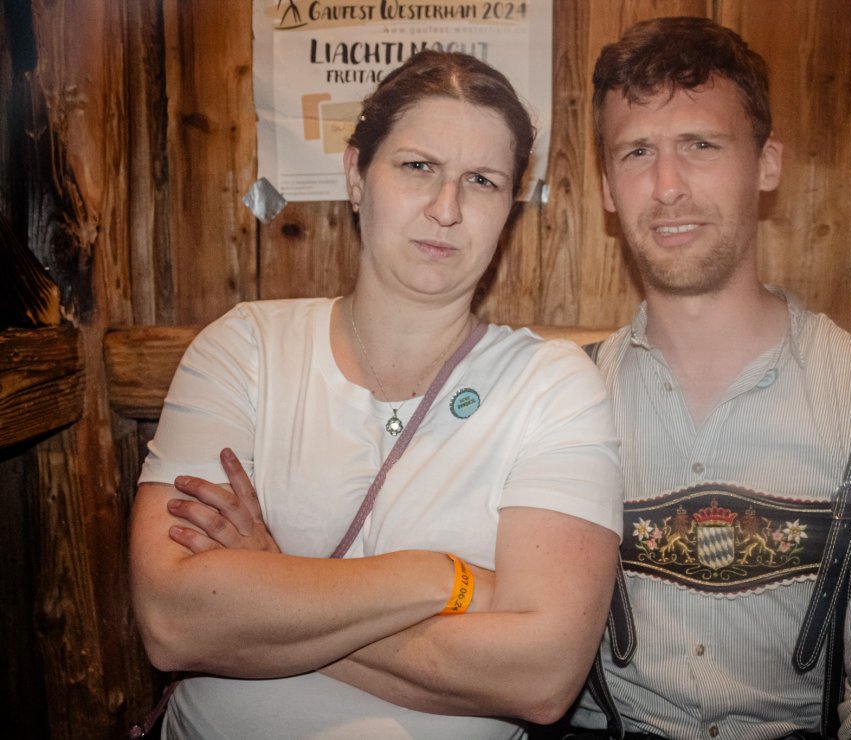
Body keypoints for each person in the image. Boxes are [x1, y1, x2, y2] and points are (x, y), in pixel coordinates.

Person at [129, 50, 623, 740]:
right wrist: (439, 577)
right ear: (356, 176)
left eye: (481, 181)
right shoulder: (245, 348)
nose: (446, 209)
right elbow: (173, 621)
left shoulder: (552, 385)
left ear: (508, 210)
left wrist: (270, 588)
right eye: (418, 166)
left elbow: (541, 677)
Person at [560, 16, 851, 740]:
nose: (668, 186)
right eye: (637, 152)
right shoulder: (561, 399)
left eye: (701, 145)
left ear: (767, 165)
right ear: (608, 187)